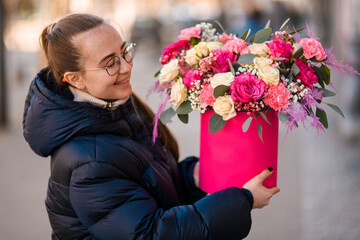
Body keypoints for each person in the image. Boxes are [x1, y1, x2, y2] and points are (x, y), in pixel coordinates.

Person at [23, 13, 279, 240]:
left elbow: (148, 187)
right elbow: (151, 232)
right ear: (75, 79)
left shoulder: (115, 106)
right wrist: (241, 201)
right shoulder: (89, 162)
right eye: (110, 62)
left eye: (125, 52)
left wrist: (195, 175)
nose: (126, 66)